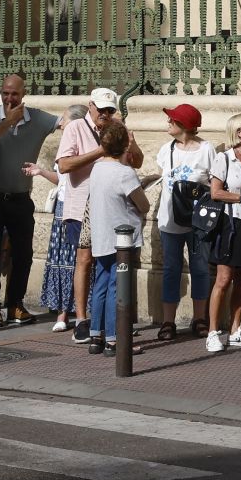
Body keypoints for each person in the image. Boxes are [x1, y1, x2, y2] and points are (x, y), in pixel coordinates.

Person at [0, 73, 59, 327]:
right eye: (5, 93)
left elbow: (65, 121)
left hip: (21, 198)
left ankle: (15, 305)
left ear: (23, 94)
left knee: (23, 254)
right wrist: (8, 122)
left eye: (14, 94)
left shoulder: (36, 118)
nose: (9, 98)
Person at [55, 87, 126, 345]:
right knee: (85, 259)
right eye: (101, 109)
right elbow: (64, 165)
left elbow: (135, 161)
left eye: (110, 110)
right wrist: (101, 151)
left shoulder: (115, 127)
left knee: (108, 263)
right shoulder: (75, 128)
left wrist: (130, 142)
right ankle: (82, 320)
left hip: (109, 206)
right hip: (80, 205)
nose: (105, 115)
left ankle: (107, 322)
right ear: (90, 106)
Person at [85, 118, 150, 356]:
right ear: (124, 145)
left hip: (101, 234)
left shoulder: (97, 168)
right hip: (121, 238)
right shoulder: (124, 173)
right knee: (117, 287)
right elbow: (143, 205)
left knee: (101, 285)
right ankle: (114, 340)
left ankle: (96, 336)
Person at [154, 102, 218, 341]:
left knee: (200, 268)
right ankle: (168, 321)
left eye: (172, 120)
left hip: (198, 221)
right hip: (170, 220)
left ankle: (199, 318)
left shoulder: (206, 150)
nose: (168, 123)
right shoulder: (166, 149)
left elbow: (214, 182)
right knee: (171, 269)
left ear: (184, 125)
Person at [205, 111, 241, 351]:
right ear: (240, 133)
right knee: (223, 279)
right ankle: (213, 331)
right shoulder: (224, 158)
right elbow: (215, 192)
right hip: (231, 223)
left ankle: (236, 329)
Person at [31, 102, 88, 328]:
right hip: (62, 207)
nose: (60, 123)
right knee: (60, 259)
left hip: (80, 206)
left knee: (79, 260)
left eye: (64, 119)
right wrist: (41, 171)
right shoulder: (65, 143)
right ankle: (62, 313)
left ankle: (79, 309)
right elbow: (61, 179)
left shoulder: (86, 143)